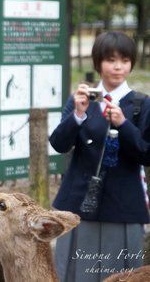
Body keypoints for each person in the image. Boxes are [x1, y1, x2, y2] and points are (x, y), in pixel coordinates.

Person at [51, 31, 150, 282]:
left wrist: (124, 124)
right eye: (111, 60)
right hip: (79, 202)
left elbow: (146, 153)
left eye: (125, 60)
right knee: (75, 274)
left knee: (121, 276)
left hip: (123, 204)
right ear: (98, 62)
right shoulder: (82, 99)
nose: (118, 67)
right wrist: (78, 115)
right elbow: (59, 144)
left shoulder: (141, 104)